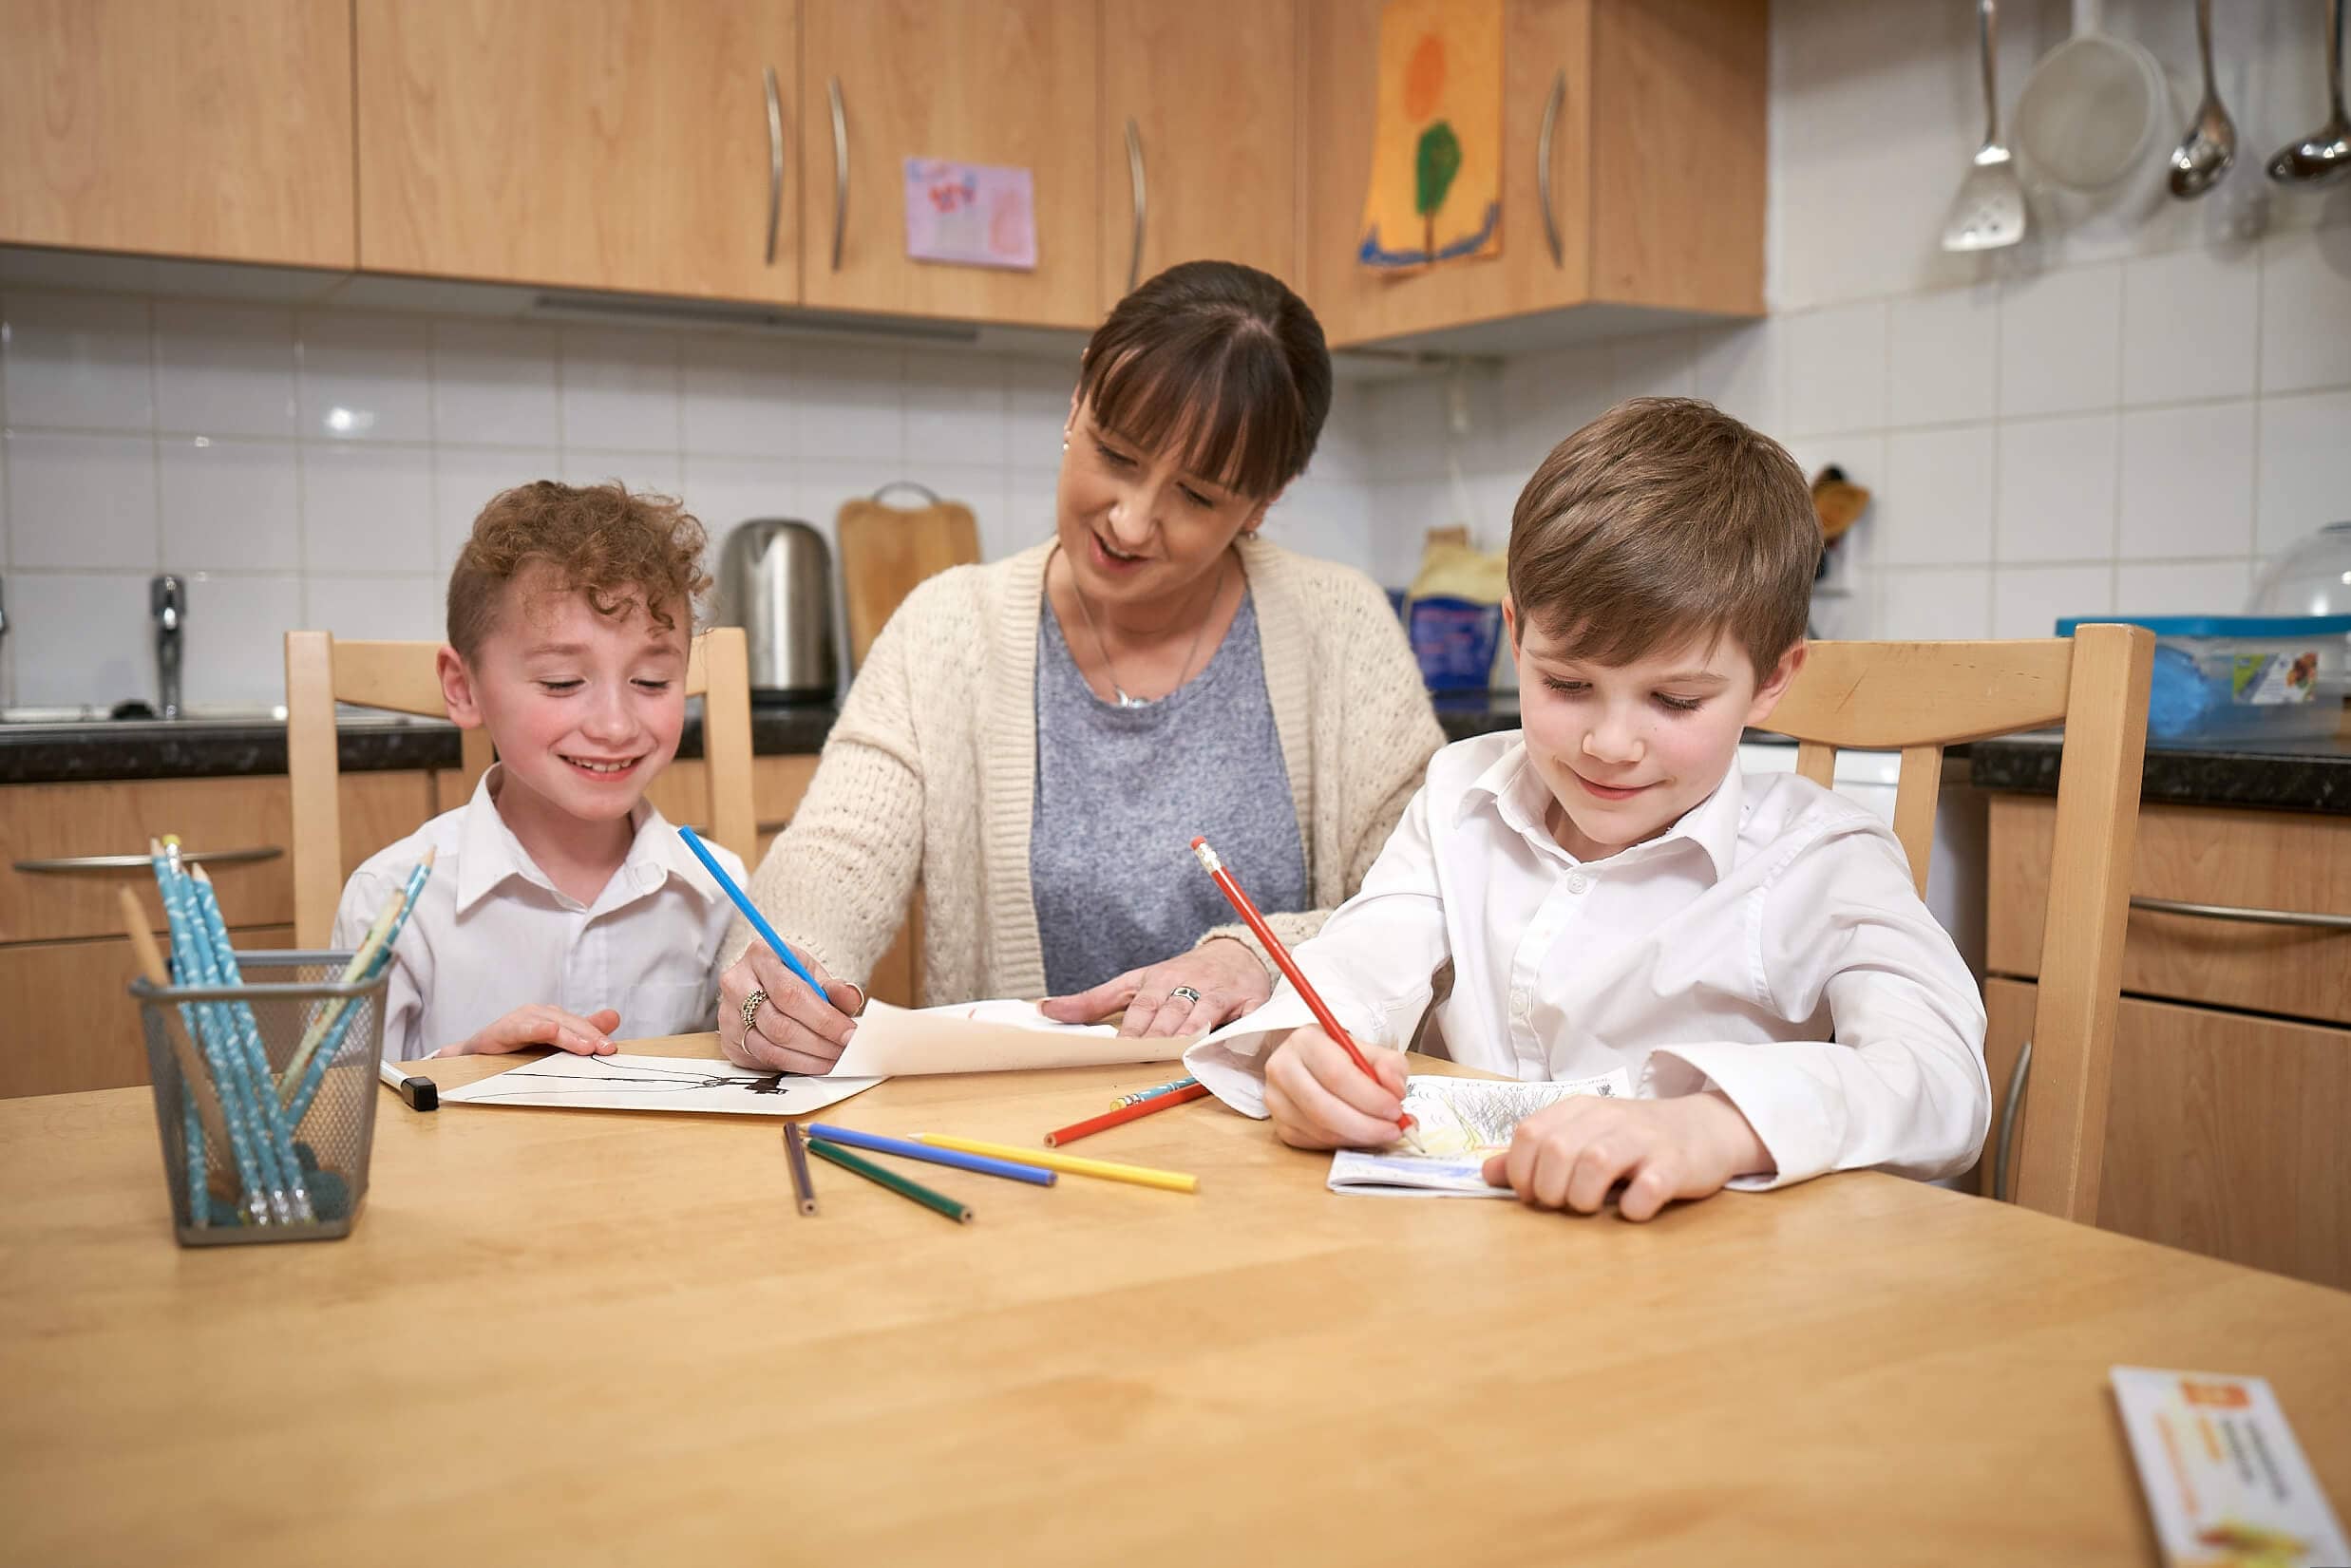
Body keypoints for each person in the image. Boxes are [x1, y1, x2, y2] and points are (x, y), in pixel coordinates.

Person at [1185, 397, 1989, 1220]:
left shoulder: (1822, 859)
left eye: (1674, 700)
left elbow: (1939, 1080)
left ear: (1774, 680)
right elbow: (1362, 958)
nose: (1609, 742)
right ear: (1516, 635)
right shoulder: (1462, 793)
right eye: (1566, 684)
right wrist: (1307, 1051)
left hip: (1700, 1288)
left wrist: (1714, 1127)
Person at [718, 260, 1445, 1073]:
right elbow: (833, 857)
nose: (1131, 521)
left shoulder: (1339, 629)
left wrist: (1257, 956)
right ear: (1077, 403)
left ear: (1265, 500)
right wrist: (786, 971)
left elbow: (1417, 905)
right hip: (1011, 1133)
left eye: (1197, 497)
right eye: (1116, 453)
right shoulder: (947, 630)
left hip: (1271, 1120)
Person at [334, 481, 749, 1062]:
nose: (614, 725)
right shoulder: (391, 902)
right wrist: (461, 1071)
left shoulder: (717, 892)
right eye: (561, 682)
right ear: (463, 687)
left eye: (652, 682)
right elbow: (342, 1124)